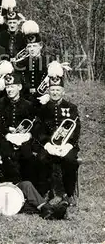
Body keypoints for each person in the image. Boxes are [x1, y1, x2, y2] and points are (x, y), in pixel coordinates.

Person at [0, 125, 69, 219]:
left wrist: (10, 182)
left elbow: (13, 171)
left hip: (5, 187)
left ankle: (46, 209)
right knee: (19, 205)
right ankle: (50, 210)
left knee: (26, 184)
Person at [35, 61, 80, 205]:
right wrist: (47, 143)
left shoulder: (71, 107)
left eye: (58, 90)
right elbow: (39, 129)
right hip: (49, 144)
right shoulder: (43, 109)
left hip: (67, 145)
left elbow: (75, 129)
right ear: (49, 91)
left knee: (70, 161)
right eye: (52, 90)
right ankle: (46, 191)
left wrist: (67, 146)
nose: (55, 92)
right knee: (41, 159)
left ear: (63, 91)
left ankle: (69, 193)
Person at [0, 69, 38, 182]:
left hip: (24, 139)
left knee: (28, 156)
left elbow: (36, 125)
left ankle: (29, 186)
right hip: (4, 139)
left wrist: (27, 135)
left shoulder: (29, 105)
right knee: (5, 155)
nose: (9, 90)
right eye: (7, 87)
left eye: (12, 86)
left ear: (20, 87)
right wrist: (7, 132)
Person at [15, 20, 51, 103]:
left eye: (34, 46)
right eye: (29, 46)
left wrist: (48, 95)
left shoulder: (48, 62)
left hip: (43, 99)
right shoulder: (20, 63)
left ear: (41, 46)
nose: (31, 49)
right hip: (25, 99)